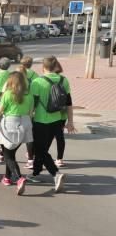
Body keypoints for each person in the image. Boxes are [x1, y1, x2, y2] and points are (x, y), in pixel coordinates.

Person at [26, 56, 74, 191]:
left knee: (38, 149)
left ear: (43, 66)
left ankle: (56, 174)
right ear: (55, 66)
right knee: (42, 150)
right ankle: (35, 173)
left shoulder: (37, 82)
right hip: (58, 120)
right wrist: (70, 121)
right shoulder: (64, 80)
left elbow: (32, 105)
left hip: (40, 121)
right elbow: (69, 103)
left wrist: (27, 120)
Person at [0, 72, 34, 195]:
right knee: (11, 153)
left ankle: (19, 178)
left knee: (7, 155)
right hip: (25, 124)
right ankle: (7, 178)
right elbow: (30, 112)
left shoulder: (7, 94)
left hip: (10, 124)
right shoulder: (29, 95)